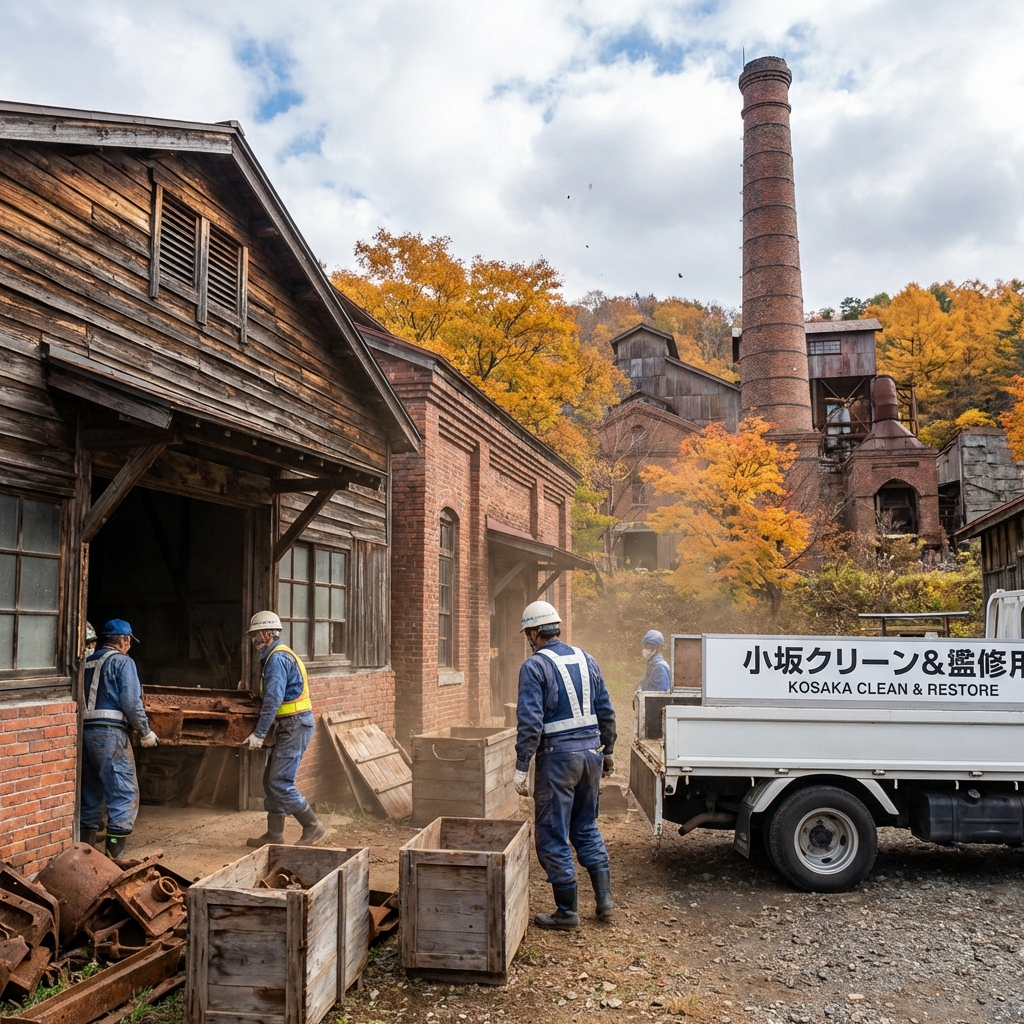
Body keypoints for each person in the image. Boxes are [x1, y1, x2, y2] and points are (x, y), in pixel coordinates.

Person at [513, 600, 617, 929]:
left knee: (552, 833)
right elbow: (606, 709)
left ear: (533, 633)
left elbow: (530, 722)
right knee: (585, 827)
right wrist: (609, 749)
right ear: (555, 627)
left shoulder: (534, 666)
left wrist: (521, 765)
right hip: (591, 756)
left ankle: (567, 912)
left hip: (558, 760)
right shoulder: (587, 659)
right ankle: (605, 902)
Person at [244, 610, 325, 847]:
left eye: (257, 634)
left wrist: (259, 734)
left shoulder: (277, 659)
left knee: (280, 781)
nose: (255, 640)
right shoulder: (274, 656)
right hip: (290, 724)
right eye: (253, 636)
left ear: (269, 633)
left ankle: (312, 826)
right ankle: (275, 834)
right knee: (271, 779)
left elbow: (273, 700)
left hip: (295, 725)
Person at [80, 619, 159, 858]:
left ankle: (85, 855)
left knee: (89, 793)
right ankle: (114, 858)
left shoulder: (85, 662)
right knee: (123, 792)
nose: (130, 646)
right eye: (129, 642)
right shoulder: (123, 662)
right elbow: (132, 703)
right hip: (110, 734)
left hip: (82, 734)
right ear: (124, 640)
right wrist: (146, 732)